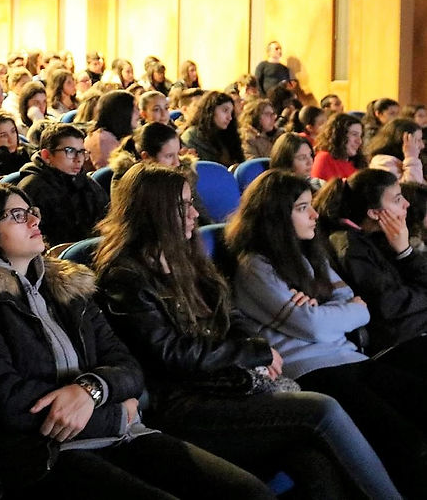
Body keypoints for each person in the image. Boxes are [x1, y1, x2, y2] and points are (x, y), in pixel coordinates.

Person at [0, 183, 275, 499]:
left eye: (32, 211)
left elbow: (127, 366)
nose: (33, 220)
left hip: (124, 434)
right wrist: (115, 413)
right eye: (16, 215)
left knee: (248, 492)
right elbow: (5, 400)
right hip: (47, 451)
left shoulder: (67, 285)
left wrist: (90, 390)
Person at [94, 163, 400, 499]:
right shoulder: (125, 275)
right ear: (155, 210)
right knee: (322, 409)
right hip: (185, 402)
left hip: (223, 383)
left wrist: (251, 343)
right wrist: (254, 352)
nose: (195, 213)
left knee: (314, 464)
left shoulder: (184, 253)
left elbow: (229, 310)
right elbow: (171, 354)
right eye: (183, 205)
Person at [228, 169, 427, 497]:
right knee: (407, 442)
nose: (315, 213)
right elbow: (316, 326)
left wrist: (324, 313)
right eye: (303, 207)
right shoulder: (255, 267)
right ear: (277, 215)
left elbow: (357, 308)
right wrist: (326, 315)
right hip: (314, 372)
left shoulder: (310, 255)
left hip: (350, 358)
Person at [315, 168, 427, 373]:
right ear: (374, 213)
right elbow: (389, 305)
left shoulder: (386, 236)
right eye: (397, 199)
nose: (407, 204)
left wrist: (405, 252)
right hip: (398, 342)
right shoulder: (350, 247)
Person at [17, 124, 109, 245]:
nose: (79, 159)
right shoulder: (32, 188)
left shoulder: (85, 182)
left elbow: (106, 218)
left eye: (81, 152)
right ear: (47, 156)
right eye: (70, 151)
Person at [181, 91, 244, 166]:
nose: (229, 117)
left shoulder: (227, 136)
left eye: (231, 113)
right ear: (210, 110)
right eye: (225, 110)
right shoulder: (191, 137)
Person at [364, 117, 424, 183]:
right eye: (417, 140)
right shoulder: (382, 162)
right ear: (402, 141)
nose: (422, 146)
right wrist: (411, 157)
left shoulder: (407, 159)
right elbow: (411, 189)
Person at [312, 112, 366, 180]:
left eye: (360, 136)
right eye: (354, 134)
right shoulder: (324, 159)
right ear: (339, 136)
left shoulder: (358, 161)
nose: (359, 141)